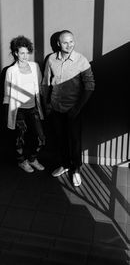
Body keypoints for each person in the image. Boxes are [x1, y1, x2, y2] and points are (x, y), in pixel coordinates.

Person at [42, 30, 95, 186]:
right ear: (59, 44)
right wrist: (47, 105)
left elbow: (90, 86)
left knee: (75, 141)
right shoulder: (51, 59)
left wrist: (77, 108)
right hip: (56, 108)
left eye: (71, 41)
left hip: (74, 110)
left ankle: (76, 169)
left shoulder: (81, 60)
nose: (69, 45)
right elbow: (45, 83)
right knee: (61, 139)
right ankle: (65, 165)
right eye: (65, 42)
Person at [3, 36, 45, 173]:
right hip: (18, 110)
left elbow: (40, 87)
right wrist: (8, 115)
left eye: (27, 52)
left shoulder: (35, 67)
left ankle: (32, 159)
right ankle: (22, 161)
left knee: (40, 137)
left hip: (33, 108)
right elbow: (7, 94)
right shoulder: (10, 71)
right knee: (19, 138)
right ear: (16, 53)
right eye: (22, 53)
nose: (25, 56)